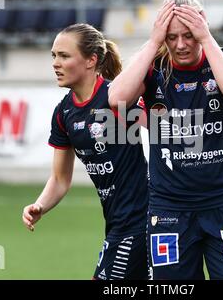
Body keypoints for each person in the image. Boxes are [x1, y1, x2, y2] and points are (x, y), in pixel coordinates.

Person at [108, 0, 223, 280]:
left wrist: (207, 38)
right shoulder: (155, 68)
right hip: (169, 209)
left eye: (189, 35)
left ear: (202, 28)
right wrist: (153, 42)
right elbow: (116, 99)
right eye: (172, 36)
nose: (180, 45)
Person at [22, 23, 149, 280]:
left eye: (64, 56)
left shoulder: (118, 96)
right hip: (116, 221)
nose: (56, 63)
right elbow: (59, 178)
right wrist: (40, 205)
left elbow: (168, 133)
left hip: (142, 220)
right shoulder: (63, 113)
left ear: (91, 60)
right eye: (54, 56)